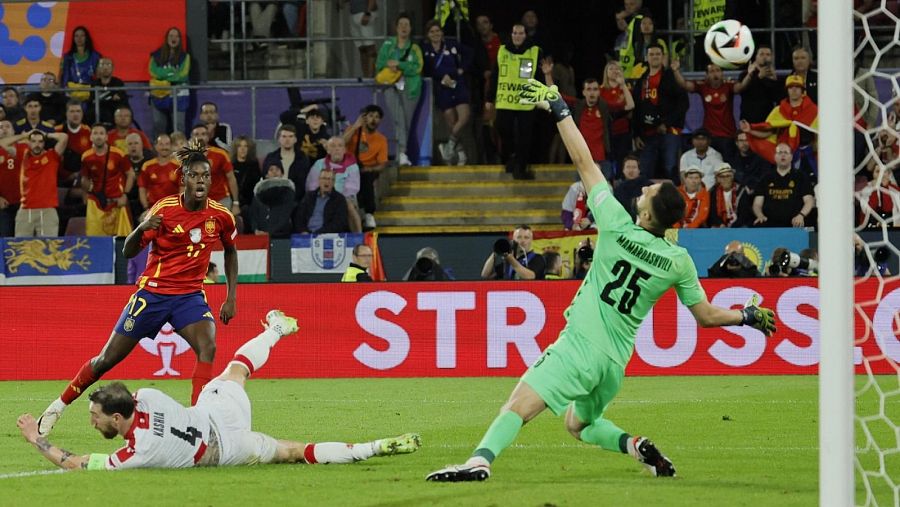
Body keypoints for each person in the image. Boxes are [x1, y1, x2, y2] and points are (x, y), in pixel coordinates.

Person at [426, 78, 776, 482]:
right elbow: (708, 316)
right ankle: (636, 446)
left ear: (647, 215)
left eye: (650, 190)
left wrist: (559, 108)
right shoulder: (676, 260)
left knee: (517, 406)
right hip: (613, 364)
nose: (644, 187)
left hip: (580, 346)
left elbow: (584, 162)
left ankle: (479, 461)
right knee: (578, 424)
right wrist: (746, 316)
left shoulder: (616, 226)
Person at [19, 310, 421, 470]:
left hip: (227, 451)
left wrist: (36, 439)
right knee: (237, 369)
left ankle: (371, 447)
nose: (92, 423)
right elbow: (134, 398)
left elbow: (74, 462)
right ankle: (276, 329)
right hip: (218, 416)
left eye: (96, 417)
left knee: (294, 451)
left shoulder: (136, 454)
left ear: (118, 418)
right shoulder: (148, 395)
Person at [36, 140, 239, 437]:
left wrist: (231, 296)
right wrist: (141, 228)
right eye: (194, 175)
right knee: (106, 359)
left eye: (206, 176)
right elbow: (128, 252)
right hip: (153, 294)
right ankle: (58, 405)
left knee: (208, 346)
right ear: (183, 179)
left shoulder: (220, 215)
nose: (201, 181)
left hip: (189, 296)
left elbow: (231, 251)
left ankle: (199, 423)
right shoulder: (165, 210)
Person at [486, 24, 544, 180]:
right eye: (515, 33)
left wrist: (541, 96)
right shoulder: (502, 51)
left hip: (526, 100)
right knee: (503, 130)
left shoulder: (534, 51)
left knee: (525, 136)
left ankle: (521, 167)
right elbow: (495, 75)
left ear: (525, 35)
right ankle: (510, 158)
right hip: (506, 100)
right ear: (511, 35)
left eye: (521, 33)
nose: (517, 36)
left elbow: (539, 75)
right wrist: (489, 98)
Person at [671, 59, 754, 161]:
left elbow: (741, 87)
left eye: (718, 70)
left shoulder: (728, 86)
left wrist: (749, 75)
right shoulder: (703, 87)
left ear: (722, 74)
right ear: (707, 75)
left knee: (727, 166)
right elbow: (684, 84)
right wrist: (675, 71)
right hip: (709, 136)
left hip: (727, 136)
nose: (715, 74)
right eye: (712, 71)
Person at [633, 43, 688, 181]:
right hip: (647, 135)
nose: (655, 57)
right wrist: (637, 134)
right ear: (646, 57)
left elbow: (684, 103)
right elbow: (636, 109)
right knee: (645, 172)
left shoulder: (671, 77)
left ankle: (674, 201)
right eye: (651, 54)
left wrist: (667, 123)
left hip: (669, 132)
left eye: (658, 54)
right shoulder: (641, 80)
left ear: (663, 57)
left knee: (670, 169)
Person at [376, 13, 423, 167]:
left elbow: (417, 67)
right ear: (396, 28)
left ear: (410, 29)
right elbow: (380, 64)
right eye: (401, 24)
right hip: (390, 85)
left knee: (406, 122)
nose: (403, 27)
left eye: (407, 25)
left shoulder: (415, 48)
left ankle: (400, 154)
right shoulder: (388, 45)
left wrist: (400, 65)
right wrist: (390, 65)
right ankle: (402, 153)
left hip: (410, 88)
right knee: (398, 119)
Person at [0, 130, 68, 237]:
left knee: (47, 248)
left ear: (44, 143)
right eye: (33, 141)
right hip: (25, 210)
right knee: (22, 247)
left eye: (40, 142)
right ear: (28, 142)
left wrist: (46, 134)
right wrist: (24, 135)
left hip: (47, 210)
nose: (37, 145)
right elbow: (3, 143)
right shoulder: (22, 154)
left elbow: (64, 137)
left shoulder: (52, 156)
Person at [423, 19, 473, 166]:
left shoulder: (451, 45)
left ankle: (448, 146)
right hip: (442, 89)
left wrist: (461, 69)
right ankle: (461, 154)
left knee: (464, 117)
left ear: (442, 33)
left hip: (457, 85)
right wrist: (440, 77)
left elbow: (469, 53)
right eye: (432, 32)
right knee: (452, 123)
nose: (435, 34)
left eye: (437, 31)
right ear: (428, 35)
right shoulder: (426, 50)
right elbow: (426, 70)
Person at [80, 124, 135, 237]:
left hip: (117, 202)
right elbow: (84, 178)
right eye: (95, 133)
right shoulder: (86, 157)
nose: (98, 136)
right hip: (96, 202)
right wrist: (86, 193)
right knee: (95, 238)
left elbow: (131, 174)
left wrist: (125, 194)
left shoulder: (118, 154)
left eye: (101, 133)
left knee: (122, 238)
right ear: (91, 137)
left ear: (106, 137)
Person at [343, 105, 388, 229]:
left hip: (368, 170)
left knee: (366, 178)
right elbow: (341, 143)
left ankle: (369, 213)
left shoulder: (381, 139)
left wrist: (370, 169)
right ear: (364, 117)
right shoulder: (353, 130)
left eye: (377, 117)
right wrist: (355, 127)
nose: (374, 120)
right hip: (350, 167)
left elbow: (383, 164)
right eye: (371, 116)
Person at [751, 143, 815, 228]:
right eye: (780, 152)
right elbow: (757, 204)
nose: (783, 155)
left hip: (795, 222)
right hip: (770, 223)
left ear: (791, 157)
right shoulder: (766, 178)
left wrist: (801, 215)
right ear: (775, 157)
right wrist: (760, 215)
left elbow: (809, 201)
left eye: (786, 152)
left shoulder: (801, 177)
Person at [149, 27, 191, 137]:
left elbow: (183, 76)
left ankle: (180, 153)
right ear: (166, 38)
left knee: (179, 127)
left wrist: (164, 76)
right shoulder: (156, 55)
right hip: (159, 94)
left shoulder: (185, 57)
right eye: (171, 36)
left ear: (180, 39)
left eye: (176, 36)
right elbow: (153, 72)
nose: (174, 38)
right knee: (158, 125)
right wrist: (170, 73)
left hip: (179, 96)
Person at [191, 124, 241, 215]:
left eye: (203, 134)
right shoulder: (186, 157)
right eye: (196, 134)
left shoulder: (220, 154)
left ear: (208, 137)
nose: (200, 137)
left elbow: (231, 178)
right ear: (191, 137)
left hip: (220, 200)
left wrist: (236, 203)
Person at [599, 61, 635, 172]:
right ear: (606, 72)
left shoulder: (625, 89)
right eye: (611, 69)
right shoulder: (600, 90)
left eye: (617, 69)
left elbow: (631, 106)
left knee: (622, 162)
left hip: (623, 132)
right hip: (605, 133)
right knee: (607, 163)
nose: (614, 71)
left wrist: (623, 84)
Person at [572, 79, 612, 179]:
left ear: (599, 92)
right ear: (584, 92)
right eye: (589, 89)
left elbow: (629, 105)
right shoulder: (578, 107)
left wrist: (623, 85)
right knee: (581, 190)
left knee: (604, 191)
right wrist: (548, 75)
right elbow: (557, 98)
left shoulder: (605, 107)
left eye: (595, 89)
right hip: (582, 159)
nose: (592, 92)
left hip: (602, 158)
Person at [263, 124, 311, 202]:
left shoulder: (302, 159)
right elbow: (265, 180)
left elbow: (303, 183)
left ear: (295, 139)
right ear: (279, 139)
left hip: (296, 200)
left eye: (290, 136)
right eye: (284, 136)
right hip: (273, 199)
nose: (287, 140)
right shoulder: (271, 157)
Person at [294, 168, 350, 234]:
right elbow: (299, 217)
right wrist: (303, 230)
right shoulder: (309, 196)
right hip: (306, 235)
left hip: (326, 235)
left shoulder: (339, 199)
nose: (326, 182)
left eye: (329, 179)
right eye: (324, 178)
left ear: (333, 182)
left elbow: (339, 223)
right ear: (319, 180)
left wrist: (319, 233)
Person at [480, 225, 545, 280]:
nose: (522, 241)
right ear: (513, 240)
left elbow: (530, 277)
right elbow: (485, 276)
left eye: (526, 238)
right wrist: (496, 251)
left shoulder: (537, 258)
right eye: (519, 237)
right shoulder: (507, 263)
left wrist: (511, 260)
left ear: (531, 240)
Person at [249, 162, 296, 238]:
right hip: (259, 236)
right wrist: (255, 230)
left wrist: (269, 233)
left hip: (280, 237)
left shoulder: (288, 193)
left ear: (282, 173)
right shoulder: (259, 193)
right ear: (266, 175)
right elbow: (253, 215)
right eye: (271, 170)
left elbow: (285, 217)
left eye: (277, 169)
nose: (274, 172)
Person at [138, 133, 182, 212]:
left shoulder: (178, 167)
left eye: (167, 144)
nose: (164, 147)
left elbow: (182, 189)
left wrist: (179, 209)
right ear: (156, 147)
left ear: (171, 146)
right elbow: (142, 189)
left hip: (173, 210)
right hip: (153, 209)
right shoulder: (147, 166)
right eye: (161, 144)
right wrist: (146, 208)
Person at [59, 26, 101, 101]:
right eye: (76, 36)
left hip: (90, 94)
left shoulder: (95, 56)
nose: (79, 38)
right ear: (73, 38)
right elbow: (61, 75)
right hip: (70, 93)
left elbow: (99, 77)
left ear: (86, 37)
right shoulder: (67, 57)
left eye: (82, 35)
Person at [87, 57, 129, 125]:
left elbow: (120, 100)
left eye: (108, 65)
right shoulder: (94, 84)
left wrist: (103, 99)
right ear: (98, 68)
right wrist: (111, 97)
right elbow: (92, 101)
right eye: (102, 65)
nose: (105, 68)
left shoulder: (118, 83)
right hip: (98, 113)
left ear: (113, 68)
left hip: (113, 113)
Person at [707, 163, 750, 228]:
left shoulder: (741, 190)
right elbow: (712, 214)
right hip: (720, 225)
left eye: (728, 176)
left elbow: (744, 214)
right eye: (722, 177)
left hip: (738, 225)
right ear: (718, 179)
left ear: (732, 177)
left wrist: (732, 227)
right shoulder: (713, 192)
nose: (725, 179)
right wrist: (721, 224)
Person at [0, 120, 22, 236]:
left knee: (23, 241)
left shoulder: (24, 148)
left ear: (14, 131)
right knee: (4, 238)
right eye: (1, 127)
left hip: (24, 204)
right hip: (4, 205)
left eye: (7, 126)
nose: (4, 129)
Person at [347, 0, 379, 77]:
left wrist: (367, 13)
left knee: (370, 48)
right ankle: (366, 77)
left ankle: (371, 78)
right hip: (354, 14)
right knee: (362, 49)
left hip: (365, 14)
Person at [614, 154, 651, 220]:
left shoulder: (649, 186)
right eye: (628, 167)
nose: (631, 170)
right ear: (623, 170)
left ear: (639, 170)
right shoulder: (618, 189)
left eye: (634, 167)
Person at [232, 135, 262, 211]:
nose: (242, 149)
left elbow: (256, 185)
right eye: (239, 146)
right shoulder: (230, 165)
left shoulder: (254, 165)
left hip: (250, 202)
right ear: (236, 149)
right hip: (233, 201)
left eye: (246, 146)